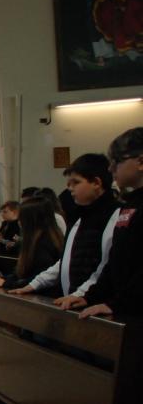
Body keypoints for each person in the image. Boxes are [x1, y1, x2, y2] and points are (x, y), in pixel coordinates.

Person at [8, 154, 120, 303]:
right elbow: (66, 261)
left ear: (96, 183)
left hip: (94, 301)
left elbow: (106, 267)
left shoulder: (115, 216)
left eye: (76, 182)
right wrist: (34, 284)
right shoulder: (79, 217)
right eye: (69, 183)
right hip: (75, 300)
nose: (70, 188)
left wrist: (81, 294)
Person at [62, 129, 143, 320]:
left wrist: (116, 304)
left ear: (140, 162)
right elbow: (115, 259)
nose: (110, 169)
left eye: (117, 161)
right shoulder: (130, 204)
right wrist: (90, 296)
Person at [0, 198, 64, 290]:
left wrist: (8, 283)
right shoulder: (41, 238)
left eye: (21, 217)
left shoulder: (44, 242)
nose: (19, 221)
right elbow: (25, 272)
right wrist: (5, 279)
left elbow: (40, 277)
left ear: (31, 219)